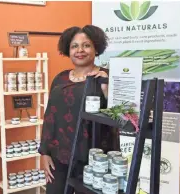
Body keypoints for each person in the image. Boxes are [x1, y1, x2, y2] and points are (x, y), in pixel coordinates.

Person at [38, 25, 120, 194]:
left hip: (95, 159)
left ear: (96, 48)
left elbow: (121, 116)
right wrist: (45, 152)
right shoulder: (60, 78)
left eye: (86, 45)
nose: (80, 50)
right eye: (74, 46)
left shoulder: (108, 77)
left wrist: (106, 88)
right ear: (68, 49)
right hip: (59, 156)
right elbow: (50, 117)